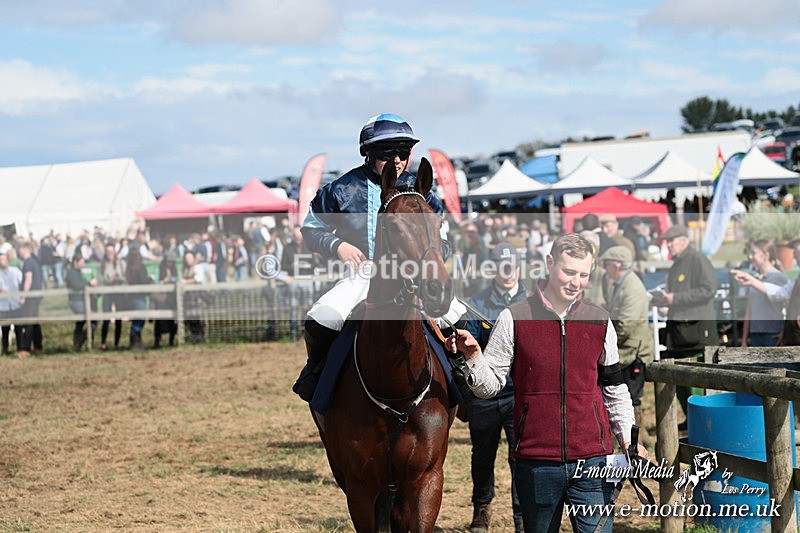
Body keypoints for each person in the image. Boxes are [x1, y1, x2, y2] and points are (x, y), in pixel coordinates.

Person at [447, 233, 641, 533]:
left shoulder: (600, 320)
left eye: (584, 275)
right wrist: (473, 355)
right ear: (550, 264)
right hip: (537, 461)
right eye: (568, 272)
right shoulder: (513, 317)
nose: (576, 282)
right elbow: (489, 386)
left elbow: (614, 390)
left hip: (593, 460)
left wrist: (629, 438)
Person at [293, 113, 462, 402]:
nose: (397, 160)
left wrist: (430, 260)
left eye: (403, 152)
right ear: (367, 153)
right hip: (362, 276)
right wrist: (337, 246)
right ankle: (317, 374)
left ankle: (462, 379)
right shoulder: (339, 190)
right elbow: (311, 228)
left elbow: (442, 238)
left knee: (458, 316)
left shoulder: (421, 192)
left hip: (413, 275)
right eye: (388, 153)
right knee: (322, 317)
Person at [462, 242, 526, 533]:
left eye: (511, 266)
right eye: (502, 266)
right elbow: (469, 350)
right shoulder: (475, 303)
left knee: (521, 458)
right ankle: (481, 510)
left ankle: (523, 517)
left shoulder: (533, 302)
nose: (507, 272)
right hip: (485, 396)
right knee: (482, 456)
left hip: (521, 394)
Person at [651, 225, 718, 421]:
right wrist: (665, 301)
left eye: (671, 242)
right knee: (680, 380)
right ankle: (692, 418)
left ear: (684, 241)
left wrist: (675, 299)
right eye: (667, 242)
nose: (668, 246)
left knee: (695, 382)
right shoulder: (676, 265)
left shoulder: (698, 260)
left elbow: (708, 290)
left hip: (696, 333)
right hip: (679, 332)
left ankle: (701, 419)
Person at [600, 246, 654, 427]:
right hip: (626, 351)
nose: (605, 269)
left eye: (607, 265)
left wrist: (607, 344)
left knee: (631, 399)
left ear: (616, 265)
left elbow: (625, 325)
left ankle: (637, 441)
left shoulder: (632, 287)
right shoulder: (621, 284)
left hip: (632, 353)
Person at [732, 238, 800, 346]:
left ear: (766, 255)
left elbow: (784, 301)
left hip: (772, 333)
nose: (794, 255)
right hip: (758, 334)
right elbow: (779, 293)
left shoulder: (779, 277)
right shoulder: (796, 280)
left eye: (795, 251)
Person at [65, 254, 98, 351]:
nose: (83, 264)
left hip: (82, 300)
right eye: (82, 262)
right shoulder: (71, 272)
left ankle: (77, 344)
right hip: (76, 301)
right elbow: (77, 285)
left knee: (80, 322)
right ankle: (80, 342)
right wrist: (89, 283)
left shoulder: (78, 272)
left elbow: (82, 283)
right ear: (76, 262)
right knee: (92, 320)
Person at [16, 242, 44, 356]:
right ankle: (38, 346)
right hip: (36, 296)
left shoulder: (28, 263)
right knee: (34, 322)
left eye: (20, 249)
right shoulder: (33, 261)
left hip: (31, 297)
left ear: (24, 249)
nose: (18, 252)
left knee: (28, 322)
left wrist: (23, 296)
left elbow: (28, 279)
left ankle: (25, 349)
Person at [125, 247, 153, 350]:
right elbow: (143, 280)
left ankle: (136, 341)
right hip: (139, 296)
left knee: (137, 318)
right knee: (140, 318)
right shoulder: (140, 267)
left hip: (132, 297)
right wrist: (150, 279)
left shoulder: (129, 268)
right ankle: (135, 340)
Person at [99, 243, 125, 350]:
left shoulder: (120, 263)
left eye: (111, 251)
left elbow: (124, 277)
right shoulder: (102, 265)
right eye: (108, 251)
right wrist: (108, 280)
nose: (110, 253)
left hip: (118, 292)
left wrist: (117, 278)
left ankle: (116, 344)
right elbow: (100, 278)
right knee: (106, 318)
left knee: (118, 319)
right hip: (107, 293)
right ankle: (103, 343)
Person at [0, 246, 22, 356]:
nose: (2, 261)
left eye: (4, 259)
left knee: (18, 328)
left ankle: (20, 349)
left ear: (7, 260)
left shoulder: (15, 271)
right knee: (5, 329)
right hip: (3, 306)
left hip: (15, 304)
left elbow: (22, 284)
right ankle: (5, 350)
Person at [154, 251, 179, 348]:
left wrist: (171, 280)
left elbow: (177, 279)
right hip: (161, 298)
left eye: (171, 262)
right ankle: (158, 340)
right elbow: (156, 281)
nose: (170, 263)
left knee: (172, 319)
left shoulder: (175, 271)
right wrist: (163, 282)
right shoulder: (159, 269)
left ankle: (171, 340)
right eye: (168, 261)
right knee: (159, 320)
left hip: (171, 298)